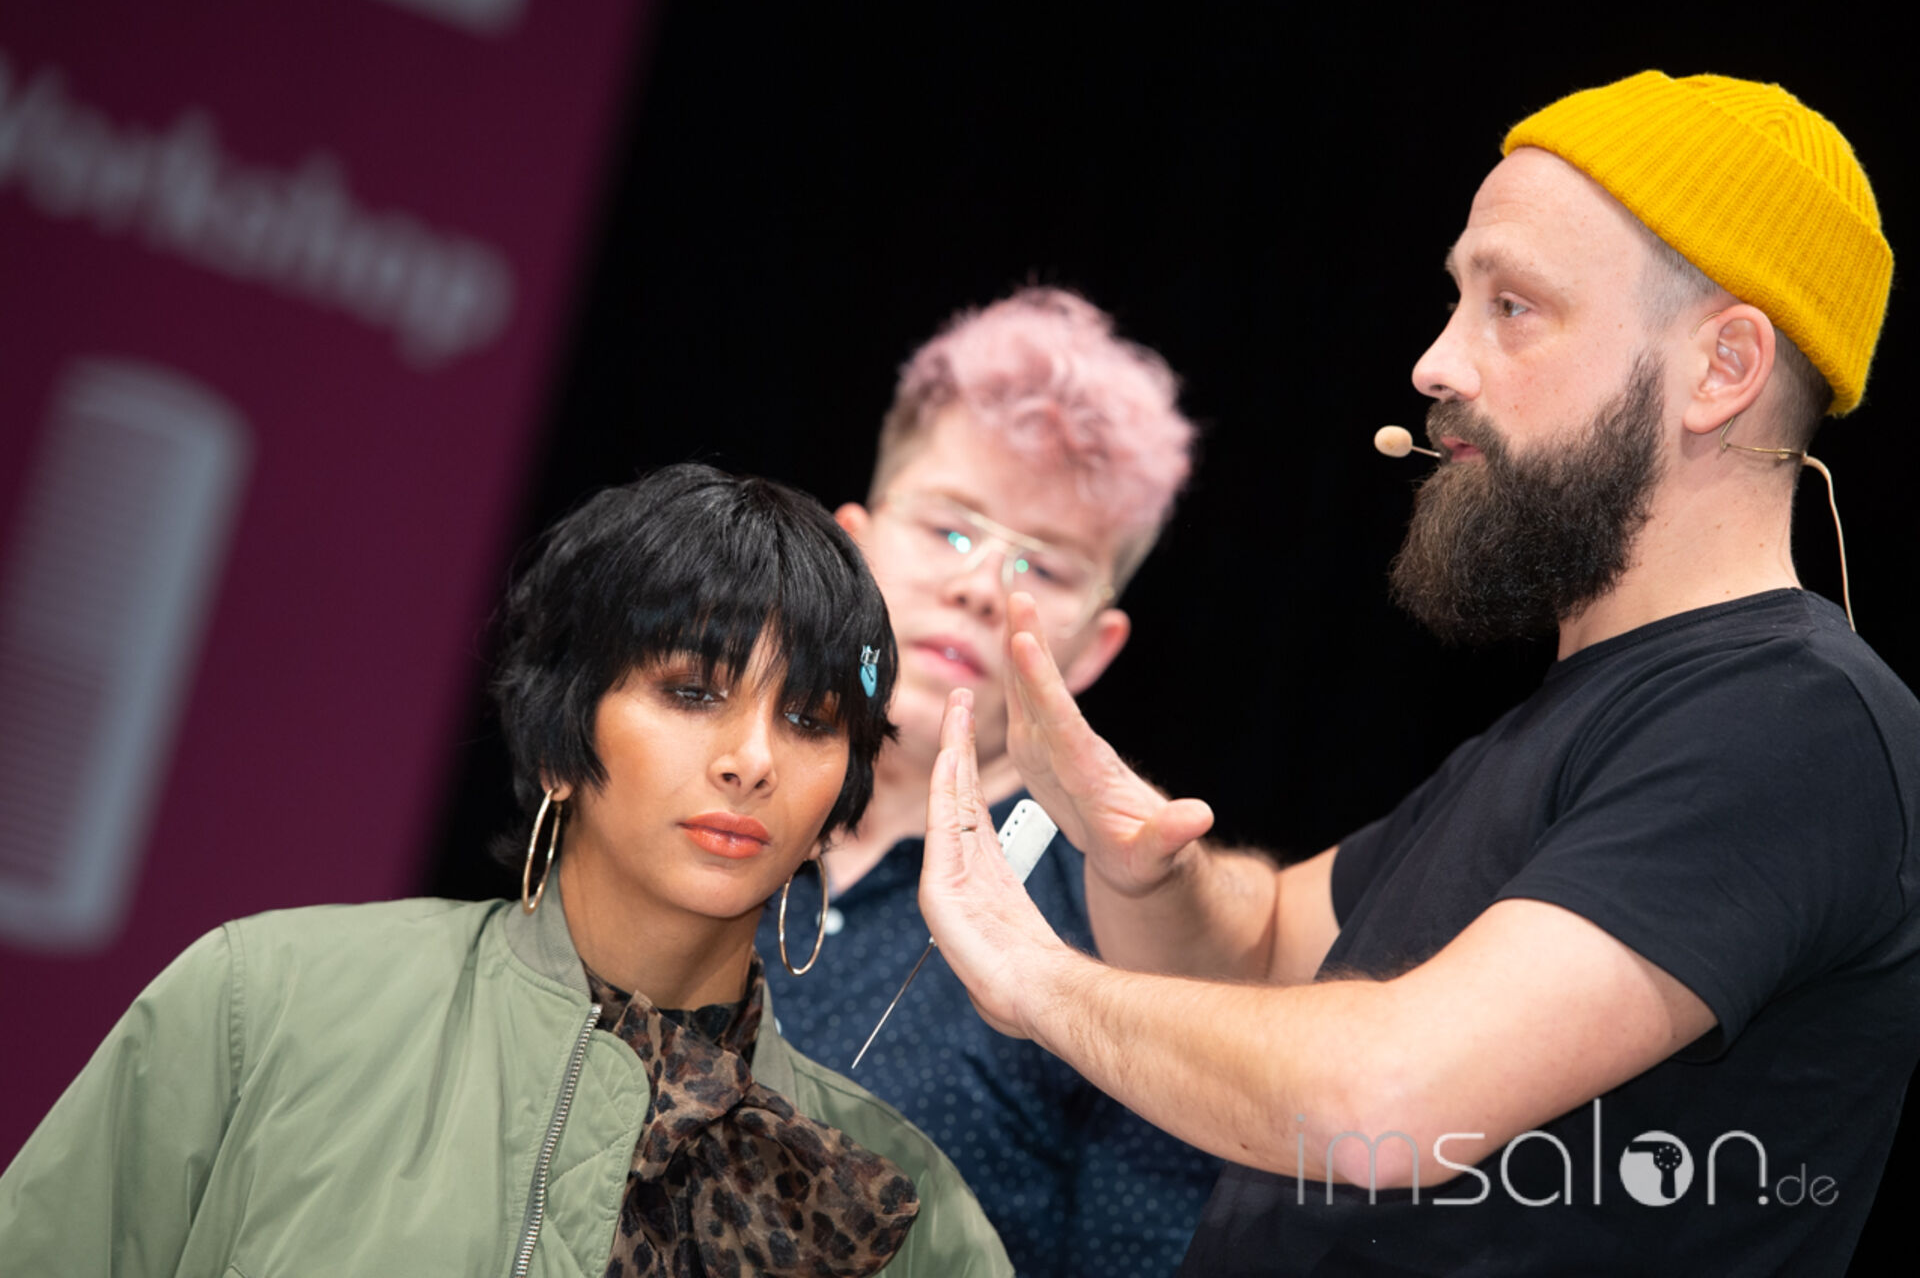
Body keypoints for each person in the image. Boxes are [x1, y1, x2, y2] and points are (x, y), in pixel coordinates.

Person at [913, 73, 1920, 1275]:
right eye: (1456, 301)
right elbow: (1261, 947)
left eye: (1513, 306)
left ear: (1722, 366)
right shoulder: (1568, 722)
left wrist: (1035, 976)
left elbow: (1386, 1098)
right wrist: (1147, 864)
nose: (1437, 362)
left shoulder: (1794, 720)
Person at [0, 464, 1011, 1277]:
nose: (752, 759)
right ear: (564, 731)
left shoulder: (903, 1210)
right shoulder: (263, 1003)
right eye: (692, 691)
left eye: (808, 719)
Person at [755, 287, 1221, 1274]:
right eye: (951, 530)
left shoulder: (1119, 932)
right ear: (852, 545)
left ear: (1096, 649)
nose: (979, 588)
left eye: (1043, 569)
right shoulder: (704, 794)